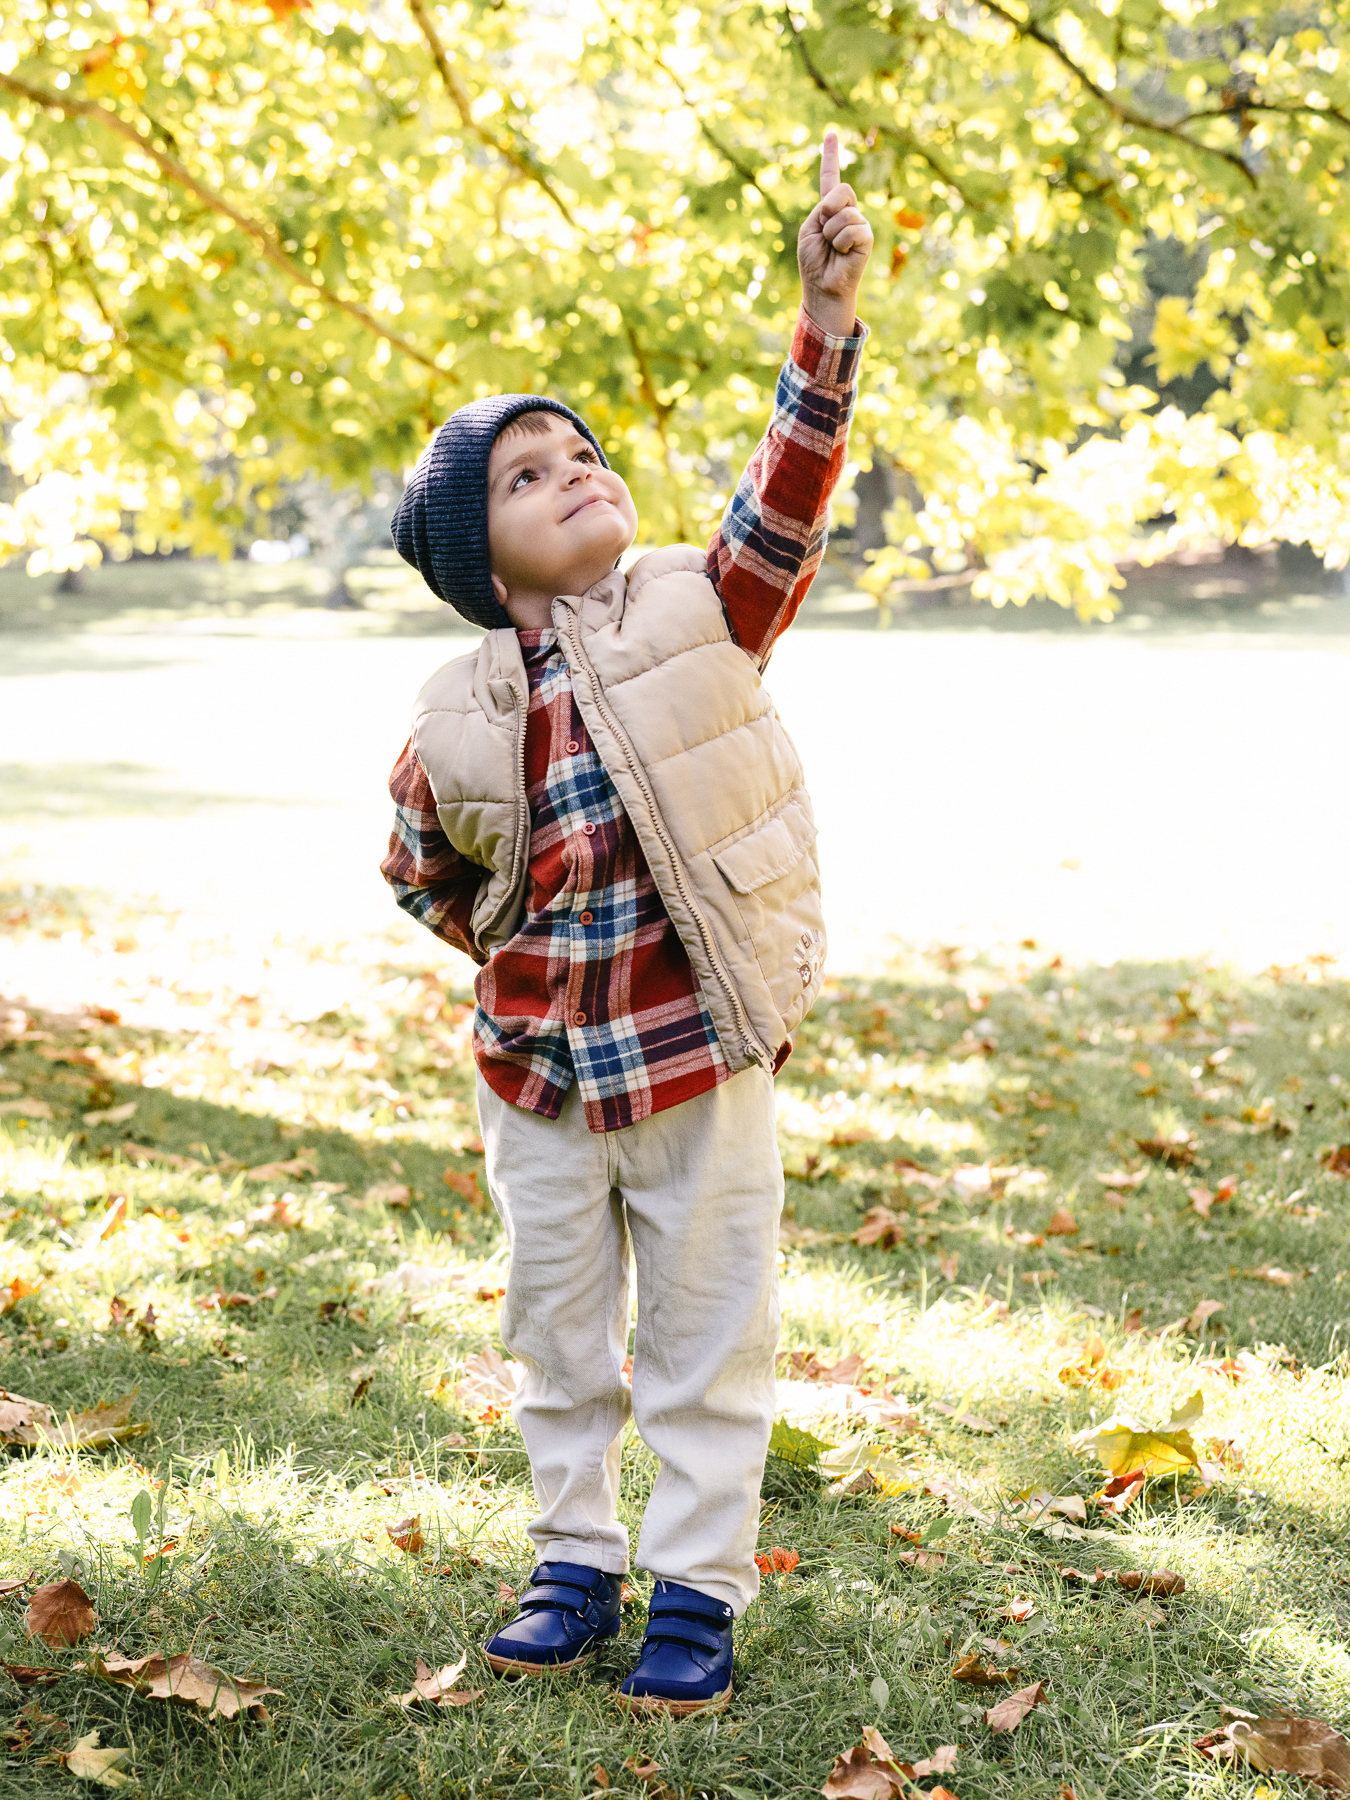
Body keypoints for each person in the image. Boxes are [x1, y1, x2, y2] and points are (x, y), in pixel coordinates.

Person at [381, 131, 872, 1716]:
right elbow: (417, 867)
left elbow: (785, 497)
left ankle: (697, 1587)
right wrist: (509, 952)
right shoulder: (454, 710)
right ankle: (573, 1558)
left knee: (709, 1337)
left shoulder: (698, 604)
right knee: (558, 1329)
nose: (573, 472)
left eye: (579, 451)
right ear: (480, 558)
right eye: (526, 476)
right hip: (536, 1079)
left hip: (697, 1059)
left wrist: (824, 321)